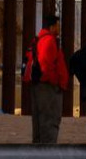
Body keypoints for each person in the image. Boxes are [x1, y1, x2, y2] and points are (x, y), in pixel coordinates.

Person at [28, 13, 69, 144]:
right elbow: (46, 65)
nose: (59, 28)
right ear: (52, 27)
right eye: (58, 26)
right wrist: (55, 82)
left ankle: (39, 152)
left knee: (40, 120)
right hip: (48, 88)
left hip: (41, 85)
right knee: (50, 120)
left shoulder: (39, 39)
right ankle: (48, 152)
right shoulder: (49, 40)